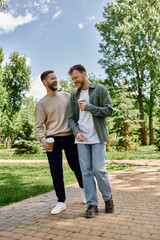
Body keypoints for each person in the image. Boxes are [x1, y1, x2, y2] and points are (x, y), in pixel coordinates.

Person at [34, 70, 86, 215]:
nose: (55, 80)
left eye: (56, 78)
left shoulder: (66, 96)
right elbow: (38, 126)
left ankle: (83, 190)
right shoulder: (41, 104)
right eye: (52, 79)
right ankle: (61, 202)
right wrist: (43, 140)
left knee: (76, 166)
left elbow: (80, 98)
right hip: (52, 140)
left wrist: (77, 91)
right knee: (56, 172)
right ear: (45, 82)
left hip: (70, 137)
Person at [68, 64, 114, 218]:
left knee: (99, 170)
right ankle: (92, 204)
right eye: (72, 79)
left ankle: (108, 199)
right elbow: (71, 118)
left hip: (98, 136)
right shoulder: (74, 95)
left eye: (76, 77)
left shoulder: (100, 89)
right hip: (82, 138)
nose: (74, 81)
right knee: (86, 172)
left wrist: (90, 107)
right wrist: (76, 132)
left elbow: (109, 110)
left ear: (84, 74)